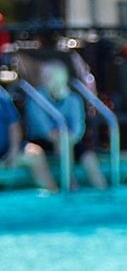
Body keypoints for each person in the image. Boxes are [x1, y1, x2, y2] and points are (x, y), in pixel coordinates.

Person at [26, 55, 108, 188]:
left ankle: (104, 196)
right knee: (62, 142)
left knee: (90, 160)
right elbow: (41, 128)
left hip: (70, 140)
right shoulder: (36, 98)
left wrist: (69, 137)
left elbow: (78, 128)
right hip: (43, 141)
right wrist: (60, 136)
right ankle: (70, 186)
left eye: (48, 76)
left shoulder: (73, 99)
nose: (43, 79)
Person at [1, 79, 54, 190]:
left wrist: (13, 153)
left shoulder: (2, 98)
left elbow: (14, 126)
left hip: (7, 154)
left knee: (35, 153)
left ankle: (51, 198)